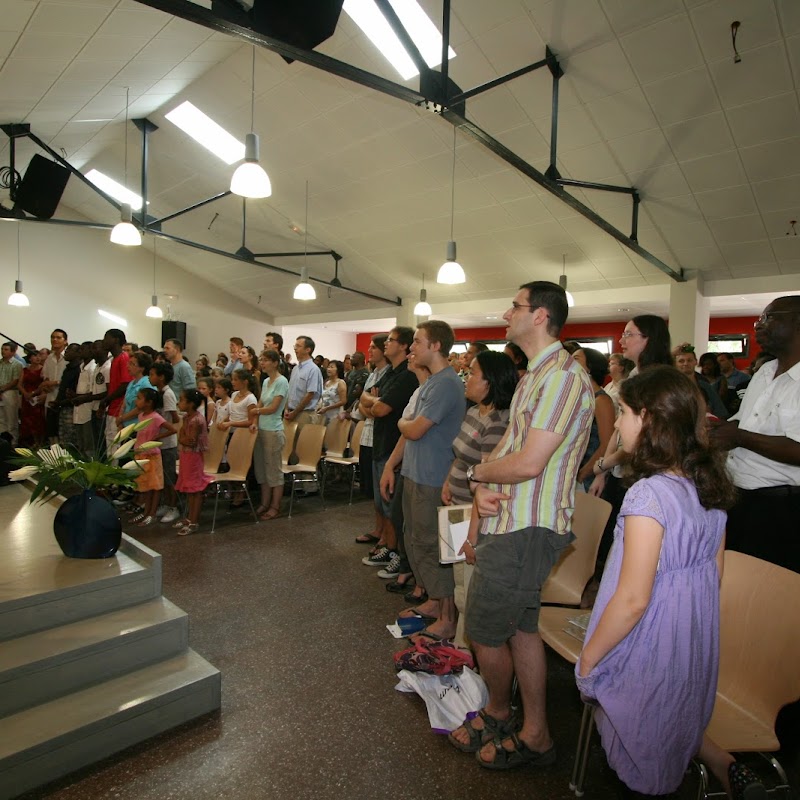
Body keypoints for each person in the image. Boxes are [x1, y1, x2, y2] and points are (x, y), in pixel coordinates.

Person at [449, 281, 594, 770]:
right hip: (513, 516)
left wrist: (477, 475)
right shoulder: (535, 373)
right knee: (522, 628)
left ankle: (498, 710)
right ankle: (536, 732)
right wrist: (485, 483)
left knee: (486, 631)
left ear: (540, 316)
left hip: (529, 524)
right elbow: (506, 449)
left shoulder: (563, 378)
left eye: (515, 305)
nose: (506, 311)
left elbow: (529, 463)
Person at [576, 366, 740, 797]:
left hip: (648, 637)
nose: (619, 425)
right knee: (673, 716)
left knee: (641, 731)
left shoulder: (648, 496)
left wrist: (590, 657)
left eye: (625, 413)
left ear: (647, 420)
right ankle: (718, 763)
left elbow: (632, 599)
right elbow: (715, 572)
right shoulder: (709, 482)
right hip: (689, 634)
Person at [709, 296, 800, 574]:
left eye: (769, 318)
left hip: (781, 509)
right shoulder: (763, 373)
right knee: (735, 583)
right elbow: (742, 425)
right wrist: (714, 428)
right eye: (758, 319)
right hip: (741, 498)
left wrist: (739, 437)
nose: (758, 326)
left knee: (769, 595)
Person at [390, 321, 466, 641]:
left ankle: (448, 616)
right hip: (416, 472)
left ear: (435, 346)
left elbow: (415, 429)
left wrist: (402, 422)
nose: (412, 348)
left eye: (418, 342)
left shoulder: (447, 383)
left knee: (436, 547)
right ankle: (435, 602)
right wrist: (407, 424)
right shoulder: (432, 383)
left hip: (433, 477)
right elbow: (412, 427)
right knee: (416, 540)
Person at [441, 350, 518, 647]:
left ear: (489, 383)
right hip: (456, 504)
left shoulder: (498, 421)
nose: (466, 377)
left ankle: (465, 650)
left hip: (473, 513)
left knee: (467, 584)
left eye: (472, 373)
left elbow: (485, 477)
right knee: (458, 577)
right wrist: (449, 480)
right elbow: (460, 455)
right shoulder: (473, 412)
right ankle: (460, 643)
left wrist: (472, 531)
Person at [358, 327, 418, 574]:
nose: (385, 345)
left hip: (394, 445)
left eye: (391, 341)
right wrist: (375, 402)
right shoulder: (390, 372)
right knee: (383, 503)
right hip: (381, 443)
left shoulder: (406, 375)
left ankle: (396, 553)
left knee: (393, 507)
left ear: (404, 346)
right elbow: (363, 399)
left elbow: (380, 410)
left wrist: (375, 403)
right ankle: (390, 547)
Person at [353, 335, 390, 542]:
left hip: (380, 437)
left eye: (374, 347)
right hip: (367, 435)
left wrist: (371, 405)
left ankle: (386, 534)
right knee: (373, 491)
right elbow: (362, 403)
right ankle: (378, 529)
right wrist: (370, 405)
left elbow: (380, 407)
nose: (370, 350)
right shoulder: (373, 373)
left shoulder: (390, 374)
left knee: (382, 492)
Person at [249, 350, 288, 520]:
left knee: (274, 470)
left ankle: (275, 506)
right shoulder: (265, 381)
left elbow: (272, 408)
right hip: (261, 429)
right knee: (261, 470)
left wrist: (255, 411)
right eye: (261, 360)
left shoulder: (282, 381)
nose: (262, 363)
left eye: (265, 360)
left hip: (273, 430)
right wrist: (254, 421)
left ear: (274, 362)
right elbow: (260, 403)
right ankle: (264, 503)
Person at [129, 388, 176, 527]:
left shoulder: (156, 417)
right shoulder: (141, 415)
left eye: (139, 398)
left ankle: (152, 513)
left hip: (152, 455)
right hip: (140, 453)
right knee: (145, 485)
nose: (136, 401)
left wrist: (156, 438)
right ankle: (146, 511)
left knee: (154, 486)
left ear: (149, 402)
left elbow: (173, 429)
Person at [576, 348, 615, 490]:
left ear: (589, 368)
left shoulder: (601, 400)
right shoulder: (583, 398)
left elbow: (607, 445)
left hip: (590, 477)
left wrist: (582, 474)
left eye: (576, 359)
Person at [174, 389, 212, 536]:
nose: (179, 402)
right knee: (189, 490)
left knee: (195, 490)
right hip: (186, 456)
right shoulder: (186, 418)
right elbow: (182, 436)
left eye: (182, 400)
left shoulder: (196, 420)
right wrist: (182, 437)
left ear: (190, 404)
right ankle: (189, 517)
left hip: (194, 458)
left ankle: (194, 521)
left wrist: (182, 436)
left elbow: (190, 440)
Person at [148, 361, 180, 525]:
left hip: (167, 442)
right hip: (159, 442)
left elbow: (174, 420)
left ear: (161, 377)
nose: (150, 377)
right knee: (162, 477)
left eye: (153, 374)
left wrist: (160, 436)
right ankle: (167, 504)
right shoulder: (158, 392)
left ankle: (173, 507)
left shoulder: (168, 395)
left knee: (169, 478)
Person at [674, 344, 729, 420]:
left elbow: (721, 412)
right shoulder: (670, 386)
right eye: (681, 361)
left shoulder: (705, 385)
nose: (685, 363)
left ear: (696, 362)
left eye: (689, 360)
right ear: (675, 364)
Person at [98, 329, 129, 456]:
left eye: (107, 337)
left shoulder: (123, 358)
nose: (104, 341)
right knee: (110, 444)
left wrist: (106, 399)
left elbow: (125, 384)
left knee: (115, 446)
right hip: (112, 407)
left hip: (119, 408)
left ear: (115, 340)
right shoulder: (114, 359)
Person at [284, 336, 323, 428]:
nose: (295, 348)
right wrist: (286, 408)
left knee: (303, 442)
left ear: (307, 350)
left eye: (298, 346)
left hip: (304, 414)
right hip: (290, 412)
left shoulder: (313, 369)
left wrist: (295, 412)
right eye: (295, 346)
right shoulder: (295, 369)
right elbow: (290, 391)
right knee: (288, 441)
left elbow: (310, 394)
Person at [40, 329, 68, 443]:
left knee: (64, 434)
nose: (54, 340)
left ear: (65, 341)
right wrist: (46, 385)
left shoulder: (68, 357)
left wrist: (55, 382)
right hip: (50, 398)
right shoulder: (49, 358)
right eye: (52, 337)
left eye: (58, 337)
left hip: (64, 400)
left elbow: (71, 379)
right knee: (52, 433)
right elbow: (46, 377)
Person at [17, 346, 46, 448]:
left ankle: (40, 442)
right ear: (29, 358)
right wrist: (25, 393)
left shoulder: (43, 369)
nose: (38, 358)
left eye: (39, 356)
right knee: (27, 420)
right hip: (26, 398)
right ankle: (31, 442)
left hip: (38, 396)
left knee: (38, 419)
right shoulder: (25, 370)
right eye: (35, 356)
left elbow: (44, 384)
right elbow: (19, 384)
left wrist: (33, 393)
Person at [0, 342, 23, 445]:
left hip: (10, 393)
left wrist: (2, 389)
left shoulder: (17, 364)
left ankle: (13, 443)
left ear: (13, 352)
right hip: (0, 393)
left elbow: (15, 380)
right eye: (2, 349)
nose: (3, 351)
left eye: (6, 349)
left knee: (11, 419)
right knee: (1, 419)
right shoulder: (0, 363)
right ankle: (3, 442)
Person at [317, 360, 346, 424]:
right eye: (328, 367)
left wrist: (327, 408)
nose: (329, 369)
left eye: (332, 367)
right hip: (324, 414)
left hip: (335, 415)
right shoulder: (327, 382)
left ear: (338, 370)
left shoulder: (340, 383)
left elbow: (343, 401)